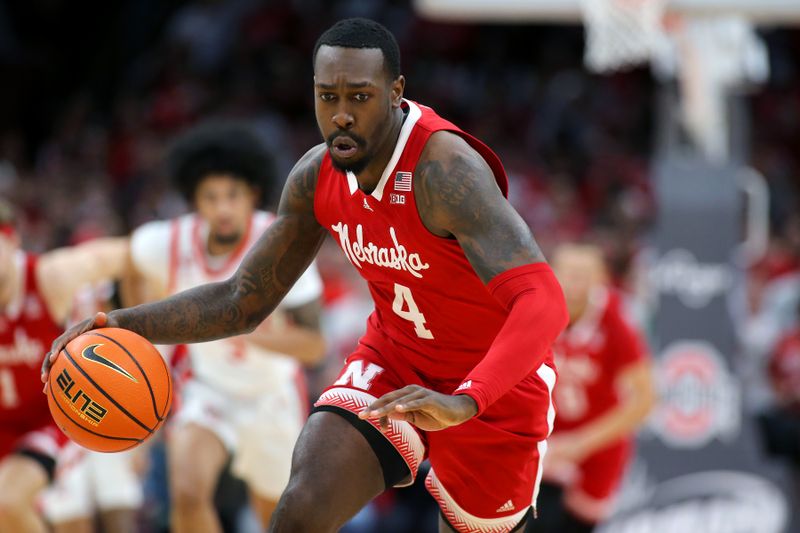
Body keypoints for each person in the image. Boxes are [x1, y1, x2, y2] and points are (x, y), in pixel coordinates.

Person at [45, 18, 568, 533]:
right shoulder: (316, 175)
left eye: (359, 98)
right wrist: (118, 324)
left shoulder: (444, 171)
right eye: (327, 97)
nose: (340, 116)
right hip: (395, 361)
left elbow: (544, 300)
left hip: (494, 386)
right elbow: (241, 300)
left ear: (395, 92)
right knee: (301, 507)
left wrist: (466, 400)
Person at [126, 121, 326, 532]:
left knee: (279, 518)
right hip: (207, 389)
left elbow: (315, 345)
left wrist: (249, 327)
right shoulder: (168, 241)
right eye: (210, 197)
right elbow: (128, 258)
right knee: (186, 493)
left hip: (270, 395)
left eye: (232, 195)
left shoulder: (281, 241)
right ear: (193, 200)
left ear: (253, 194)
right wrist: (136, 307)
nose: (222, 208)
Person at [0, 201, 129, 533]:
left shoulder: (50, 276)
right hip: (6, 422)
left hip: (55, 418)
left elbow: (131, 253)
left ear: (11, 239)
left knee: (8, 503)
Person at [527, 244, 655, 533]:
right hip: (543, 433)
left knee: (578, 524)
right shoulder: (535, 307)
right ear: (551, 274)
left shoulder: (616, 320)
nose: (574, 284)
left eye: (584, 275)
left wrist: (581, 444)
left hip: (596, 441)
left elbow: (644, 400)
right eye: (568, 274)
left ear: (601, 279)